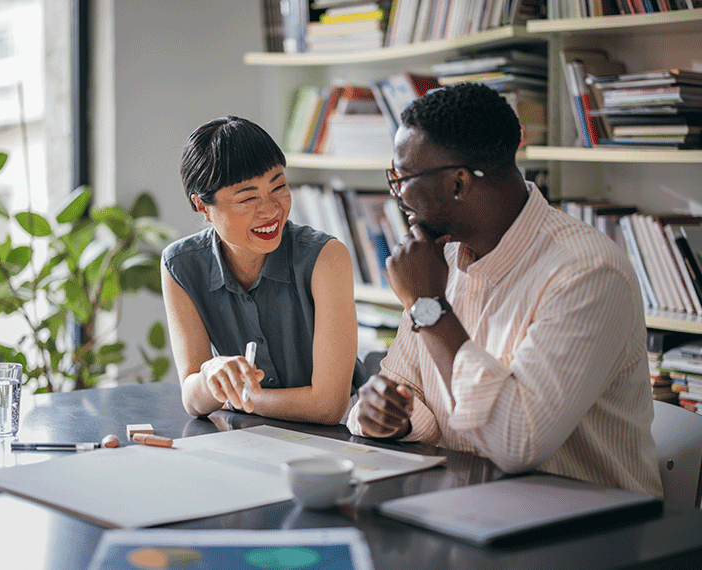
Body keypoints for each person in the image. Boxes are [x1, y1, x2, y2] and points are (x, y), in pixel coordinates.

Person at [347, 83, 663, 497]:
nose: (399, 197)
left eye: (403, 178)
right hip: (472, 503)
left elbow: (517, 442)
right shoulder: (440, 258)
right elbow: (412, 393)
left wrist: (429, 306)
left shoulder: (586, 273)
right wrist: (392, 416)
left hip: (588, 530)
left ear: (458, 183)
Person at [162, 116, 364, 425]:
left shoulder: (326, 257)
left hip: (340, 435)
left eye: (279, 187)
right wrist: (209, 377)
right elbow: (192, 398)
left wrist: (241, 399)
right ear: (203, 207)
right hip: (249, 437)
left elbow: (328, 406)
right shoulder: (180, 264)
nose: (271, 210)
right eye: (247, 198)